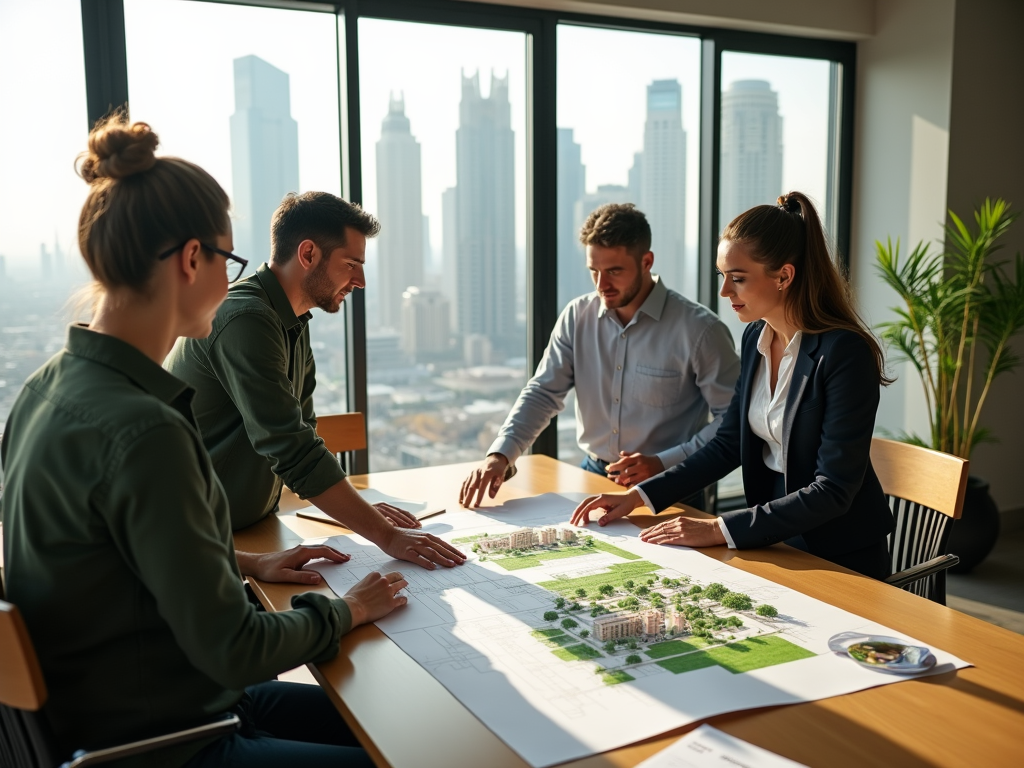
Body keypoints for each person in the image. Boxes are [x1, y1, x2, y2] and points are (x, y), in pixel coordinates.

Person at [0, 116, 409, 766]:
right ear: (194, 259)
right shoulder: (146, 430)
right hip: (167, 739)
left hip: (153, 697)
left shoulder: (46, 389)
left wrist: (245, 565)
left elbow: (113, 559)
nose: (235, 280)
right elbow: (237, 648)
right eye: (230, 259)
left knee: (404, 729)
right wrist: (347, 611)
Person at [570, 192, 896, 580]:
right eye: (723, 276)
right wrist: (639, 496)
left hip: (836, 553)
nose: (725, 292)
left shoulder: (844, 353)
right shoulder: (756, 337)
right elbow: (727, 443)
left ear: (784, 276)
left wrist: (718, 528)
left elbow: (834, 489)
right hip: (771, 537)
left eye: (738, 279)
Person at [166, 191, 464, 577]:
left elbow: (304, 428)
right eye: (352, 264)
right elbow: (293, 449)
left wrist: (359, 511)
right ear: (308, 254)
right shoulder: (246, 318)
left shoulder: (290, 319)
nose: (360, 281)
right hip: (199, 548)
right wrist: (386, 537)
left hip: (254, 528)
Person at [460, 203, 740, 509]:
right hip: (593, 476)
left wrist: (664, 462)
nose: (601, 284)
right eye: (594, 270)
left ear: (647, 261)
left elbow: (732, 420)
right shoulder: (576, 316)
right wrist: (500, 455)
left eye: (614, 271)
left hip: (673, 486)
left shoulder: (701, 330)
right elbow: (543, 393)